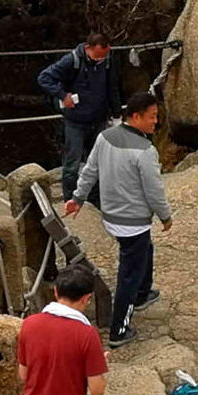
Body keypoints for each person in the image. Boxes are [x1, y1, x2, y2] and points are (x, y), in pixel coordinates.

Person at [64, 98, 172, 345]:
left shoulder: (104, 137)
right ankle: (119, 329)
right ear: (135, 116)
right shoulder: (145, 151)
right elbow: (154, 191)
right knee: (129, 274)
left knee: (145, 249)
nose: (156, 121)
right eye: (152, 116)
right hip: (132, 221)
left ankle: (143, 294)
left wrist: (77, 197)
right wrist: (165, 216)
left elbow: (90, 170)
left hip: (112, 215)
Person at [14, 260, 109, 395]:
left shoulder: (30, 324)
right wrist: (100, 365)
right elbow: (97, 390)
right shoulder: (87, 334)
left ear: (56, 292)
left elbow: (23, 375)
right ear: (86, 298)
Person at [38, 33, 125, 195]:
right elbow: (44, 78)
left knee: (98, 163)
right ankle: (69, 199)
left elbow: (113, 88)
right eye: (97, 55)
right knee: (72, 165)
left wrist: (117, 114)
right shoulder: (72, 60)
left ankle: (95, 200)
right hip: (75, 122)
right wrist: (63, 95)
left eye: (103, 55)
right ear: (87, 48)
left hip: (99, 119)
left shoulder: (108, 61)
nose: (100, 58)